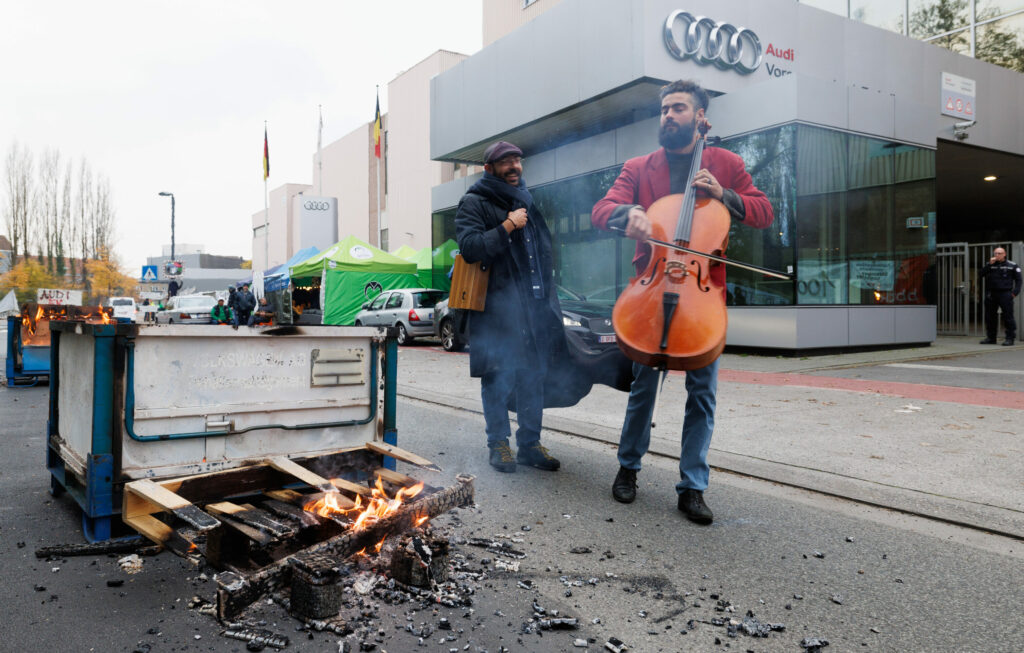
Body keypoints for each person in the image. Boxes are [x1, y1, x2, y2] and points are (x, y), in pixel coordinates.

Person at [591, 79, 775, 524]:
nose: (668, 116)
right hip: (652, 291)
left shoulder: (725, 163)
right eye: (664, 109)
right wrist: (627, 214)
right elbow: (603, 208)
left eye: (677, 109)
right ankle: (628, 468)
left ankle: (693, 486)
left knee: (703, 395)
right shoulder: (639, 166)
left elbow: (764, 210)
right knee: (642, 388)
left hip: (700, 295)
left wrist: (725, 196)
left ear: (699, 116)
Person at [455, 140, 564, 474]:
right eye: (506, 162)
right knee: (498, 377)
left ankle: (529, 445)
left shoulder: (526, 200)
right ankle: (499, 444)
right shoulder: (474, 202)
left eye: (517, 160)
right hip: (497, 311)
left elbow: (541, 251)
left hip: (534, 307)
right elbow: (470, 247)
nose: (515, 166)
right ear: (489, 169)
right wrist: (507, 226)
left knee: (533, 377)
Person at [979, 247, 1021, 346]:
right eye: (996, 253)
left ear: (1004, 254)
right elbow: (981, 274)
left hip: (1005, 294)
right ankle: (991, 338)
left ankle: (1010, 338)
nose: (997, 255)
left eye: (1000, 253)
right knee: (990, 317)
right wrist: (989, 264)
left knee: (1008, 317)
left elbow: (1019, 281)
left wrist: (1014, 293)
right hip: (991, 294)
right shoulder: (990, 264)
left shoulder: (1012, 265)